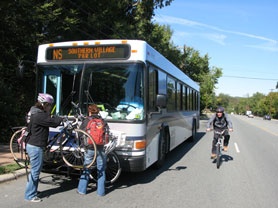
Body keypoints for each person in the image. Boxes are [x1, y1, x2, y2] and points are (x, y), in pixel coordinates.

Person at [24, 93, 63, 202]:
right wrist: (60, 118)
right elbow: (53, 122)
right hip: (36, 146)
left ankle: (32, 191)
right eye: (49, 105)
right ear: (44, 104)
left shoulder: (34, 112)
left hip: (32, 144)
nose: (50, 107)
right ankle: (30, 195)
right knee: (35, 171)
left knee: (35, 170)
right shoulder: (39, 115)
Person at [77, 104, 107, 196]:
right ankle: (101, 192)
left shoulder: (87, 120)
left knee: (87, 168)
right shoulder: (102, 121)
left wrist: (82, 145)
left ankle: (82, 190)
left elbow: (80, 133)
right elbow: (107, 133)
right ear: (98, 111)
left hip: (90, 148)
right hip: (101, 149)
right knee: (101, 170)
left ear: (90, 111)